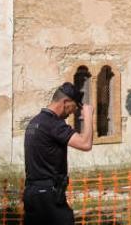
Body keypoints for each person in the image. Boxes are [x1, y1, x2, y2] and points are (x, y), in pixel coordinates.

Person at [24, 82, 94, 224]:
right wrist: (88, 117)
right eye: (73, 107)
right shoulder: (53, 124)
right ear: (65, 101)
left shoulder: (35, 122)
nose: (72, 113)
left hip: (32, 193)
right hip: (48, 196)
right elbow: (85, 144)